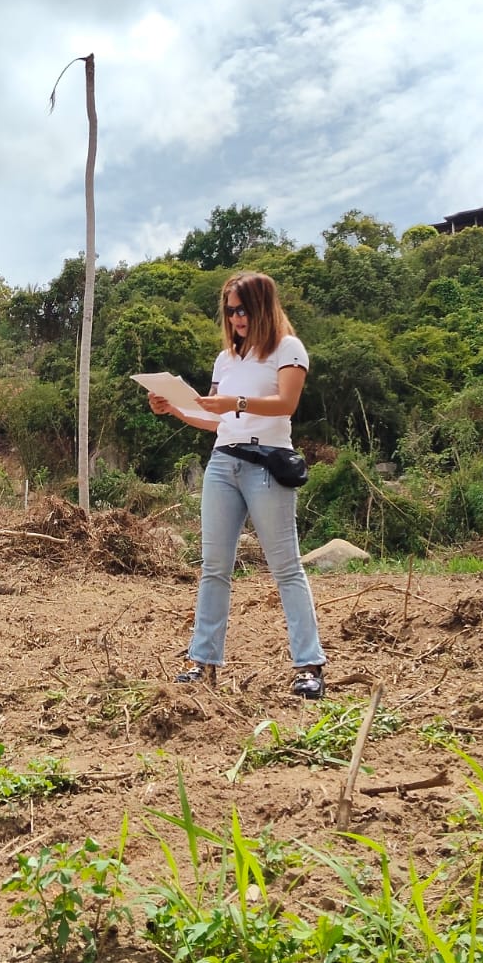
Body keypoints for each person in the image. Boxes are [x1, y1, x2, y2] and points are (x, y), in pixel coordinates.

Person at [147, 271, 326, 699]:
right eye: (229, 312)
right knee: (214, 567)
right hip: (223, 463)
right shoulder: (225, 359)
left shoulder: (288, 348)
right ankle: (202, 661)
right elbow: (214, 419)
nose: (235, 319)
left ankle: (309, 665)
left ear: (262, 307)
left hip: (266, 463)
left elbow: (286, 403)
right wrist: (174, 408)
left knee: (285, 566)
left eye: (243, 310)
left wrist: (235, 402)